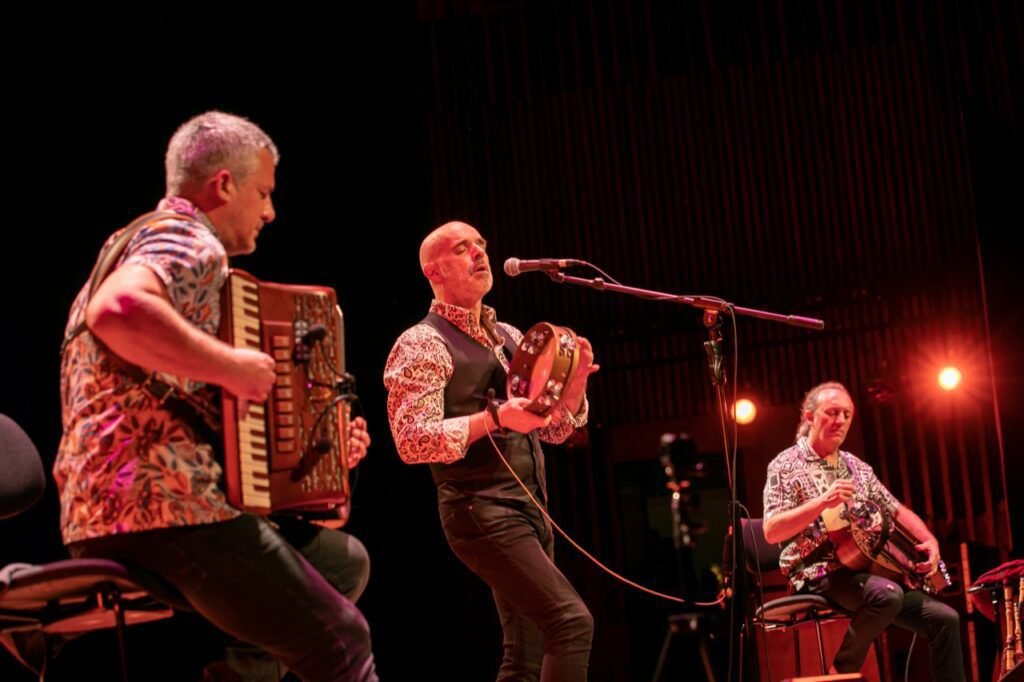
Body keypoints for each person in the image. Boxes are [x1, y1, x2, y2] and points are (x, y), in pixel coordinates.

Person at [54, 111, 377, 681]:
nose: (270, 211)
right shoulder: (189, 238)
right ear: (224, 184)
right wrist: (234, 366)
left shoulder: (131, 239)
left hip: (104, 509)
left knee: (341, 564)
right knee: (342, 640)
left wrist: (319, 456)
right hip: (160, 509)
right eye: (263, 193)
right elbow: (119, 310)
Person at [383, 221, 598, 682]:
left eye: (481, 245)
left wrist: (575, 385)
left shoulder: (510, 337)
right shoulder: (422, 342)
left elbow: (555, 431)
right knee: (570, 622)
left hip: (530, 510)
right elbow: (412, 439)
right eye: (463, 248)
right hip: (478, 509)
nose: (479, 253)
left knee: (525, 654)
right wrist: (495, 418)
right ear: (433, 272)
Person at [762, 381, 963, 680]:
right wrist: (821, 502)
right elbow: (771, 531)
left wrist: (929, 540)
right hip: (816, 573)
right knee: (888, 595)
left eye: (847, 414)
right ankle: (839, 673)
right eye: (832, 412)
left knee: (946, 618)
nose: (841, 420)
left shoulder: (856, 466)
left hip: (864, 574)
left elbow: (896, 509)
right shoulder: (785, 465)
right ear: (809, 417)